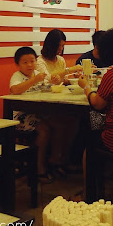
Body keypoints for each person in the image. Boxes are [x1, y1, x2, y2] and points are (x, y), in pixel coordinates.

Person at [36, 29, 83, 178]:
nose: (61, 49)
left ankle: (61, 160)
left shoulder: (60, 60)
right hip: (42, 106)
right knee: (62, 124)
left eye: (63, 45)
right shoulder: (40, 61)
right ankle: (53, 161)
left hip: (59, 103)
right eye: (59, 45)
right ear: (51, 45)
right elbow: (46, 79)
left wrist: (75, 78)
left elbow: (62, 80)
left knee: (74, 122)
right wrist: (69, 70)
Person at [9, 47, 51, 178]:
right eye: (25, 62)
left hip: (38, 113)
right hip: (20, 116)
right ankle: (38, 167)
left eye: (32, 61)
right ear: (18, 64)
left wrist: (54, 81)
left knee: (62, 123)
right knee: (44, 130)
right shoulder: (17, 76)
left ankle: (55, 161)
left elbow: (47, 87)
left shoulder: (37, 73)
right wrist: (34, 80)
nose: (29, 65)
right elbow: (15, 90)